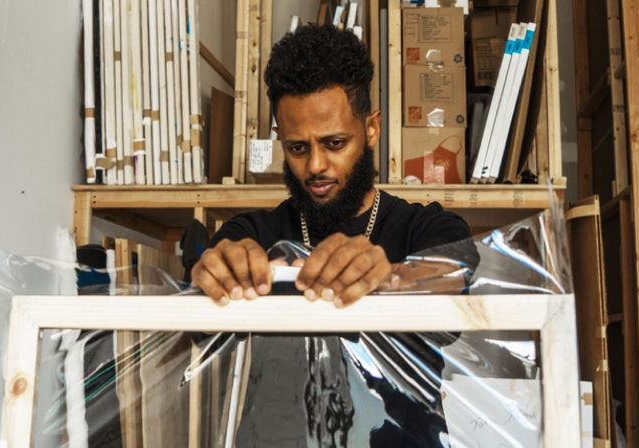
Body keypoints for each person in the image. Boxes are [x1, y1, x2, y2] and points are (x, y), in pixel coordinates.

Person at [192, 24, 475, 306]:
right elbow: (202, 325)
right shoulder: (250, 233)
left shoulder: (429, 228)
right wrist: (210, 277)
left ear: (372, 129)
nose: (315, 165)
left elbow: (450, 276)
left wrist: (392, 276)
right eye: (297, 148)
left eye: (335, 143)